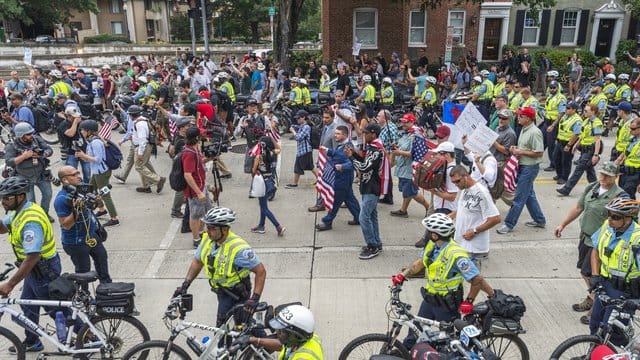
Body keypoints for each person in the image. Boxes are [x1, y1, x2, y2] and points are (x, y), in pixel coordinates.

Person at [392, 213, 496, 349]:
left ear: (435, 235)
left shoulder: (456, 254)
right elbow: (420, 263)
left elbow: (477, 279)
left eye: (429, 231)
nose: (427, 234)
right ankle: (405, 353)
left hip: (447, 306)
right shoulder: (432, 245)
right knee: (415, 332)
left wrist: (469, 301)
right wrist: (402, 275)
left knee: (449, 343)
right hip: (429, 300)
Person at [555, 162, 626, 325]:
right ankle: (593, 296)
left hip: (602, 242)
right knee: (583, 269)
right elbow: (579, 207)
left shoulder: (620, 196)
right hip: (585, 236)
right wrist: (562, 224)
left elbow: (625, 222)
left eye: (608, 175)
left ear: (616, 177)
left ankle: (598, 303)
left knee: (590, 272)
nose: (603, 177)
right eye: (602, 174)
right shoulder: (593, 187)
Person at [173, 207, 267, 327]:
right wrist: (185, 285)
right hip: (222, 292)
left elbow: (261, 271)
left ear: (225, 229)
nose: (208, 230)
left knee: (228, 328)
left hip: (237, 294)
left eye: (213, 228)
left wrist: (255, 298)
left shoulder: (239, 248)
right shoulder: (208, 239)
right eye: (208, 227)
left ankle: (268, 344)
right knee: (236, 325)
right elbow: (198, 262)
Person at [0, 176, 62, 352]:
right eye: (1, 197)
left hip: (43, 269)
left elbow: (33, 256)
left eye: (7, 198)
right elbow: (3, 228)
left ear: (20, 196)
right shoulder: (17, 212)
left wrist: (10, 284)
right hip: (33, 270)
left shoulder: (30, 221)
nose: (3, 201)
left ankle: (87, 336)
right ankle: (33, 340)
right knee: (28, 304)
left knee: (55, 307)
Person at [589, 196, 640, 337]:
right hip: (604, 284)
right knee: (595, 323)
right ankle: (593, 354)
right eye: (609, 214)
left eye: (615, 216)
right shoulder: (608, 226)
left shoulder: (637, 238)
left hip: (624, 291)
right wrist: (594, 275)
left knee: (613, 332)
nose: (610, 219)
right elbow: (595, 249)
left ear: (628, 219)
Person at [54, 166, 112, 284]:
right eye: (74, 175)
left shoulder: (83, 189)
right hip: (76, 242)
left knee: (102, 260)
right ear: (65, 180)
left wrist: (96, 201)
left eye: (78, 173)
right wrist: (76, 210)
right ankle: (83, 297)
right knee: (83, 274)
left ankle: (107, 290)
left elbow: (92, 208)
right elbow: (65, 225)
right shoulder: (61, 199)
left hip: (91, 235)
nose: (79, 176)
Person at [497, 107, 546, 234]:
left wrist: (520, 151)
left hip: (529, 168)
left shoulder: (535, 132)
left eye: (521, 116)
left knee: (519, 198)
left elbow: (539, 152)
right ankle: (539, 220)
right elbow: (527, 148)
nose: (518, 118)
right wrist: (516, 149)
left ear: (528, 118)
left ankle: (509, 224)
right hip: (523, 166)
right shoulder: (525, 129)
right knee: (529, 195)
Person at [345, 123, 389, 260]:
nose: (363, 135)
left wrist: (351, 158)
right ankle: (376, 242)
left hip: (372, 188)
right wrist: (354, 155)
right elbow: (365, 161)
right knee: (372, 216)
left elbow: (364, 168)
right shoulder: (372, 147)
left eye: (366, 133)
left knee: (363, 217)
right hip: (367, 186)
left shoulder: (377, 150)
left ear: (373, 134)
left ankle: (372, 246)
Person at [449, 166, 501, 269]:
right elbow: (466, 208)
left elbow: (496, 218)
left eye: (458, 181)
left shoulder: (481, 193)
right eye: (454, 182)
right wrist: (452, 215)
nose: (456, 185)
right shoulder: (465, 189)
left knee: (475, 281)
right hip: (461, 244)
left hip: (474, 249)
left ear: (466, 176)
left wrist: (474, 231)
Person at [4, 123, 55, 222]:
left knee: (48, 194)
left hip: (41, 174)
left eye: (31, 133)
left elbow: (49, 150)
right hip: (24, 177)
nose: (31, 135)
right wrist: (24, 156)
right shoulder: (12, 145)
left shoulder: (36, 139)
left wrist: (41, 155)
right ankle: (35, 217)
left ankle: (44, 214)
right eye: (28, 134)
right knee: (30, 200)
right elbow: (9, 161)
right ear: (21, 135)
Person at [74, 120, 119, 227]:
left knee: (105, 195)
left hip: (101, 172)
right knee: (91, 190)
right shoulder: (91, 141)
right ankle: (101, 209)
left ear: (89, 131)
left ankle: (114, 218)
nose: (81, 132)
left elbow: (98, 159)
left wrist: (83, 156)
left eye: (83, 130)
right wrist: (83, 156)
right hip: (96, 171)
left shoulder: (96, 143)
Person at [316, 126, 361, 231]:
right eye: (335, 133)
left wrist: (343, 167)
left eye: (338, 134)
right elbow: (338, 154)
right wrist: (327, 150)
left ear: (345, 135)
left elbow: (351, 162)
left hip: (343, 178)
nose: (335, 135)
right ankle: (359, 217)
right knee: (349, 199)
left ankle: (327, 222)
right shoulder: (341, 145)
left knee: (335, 201)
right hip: (341, 178)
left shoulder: (348, 147)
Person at [557, 104, 603, 196]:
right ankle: (596, 190)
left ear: (593, 112)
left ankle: (567, 189)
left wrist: (596, 155)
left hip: (591, 149)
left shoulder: (596, 123)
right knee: (590, 171)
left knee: (578, 170)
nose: (584, 112)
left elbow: (598, 140)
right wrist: (576, 144)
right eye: (584, 110)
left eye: (586, 111)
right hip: (584, 149)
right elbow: (582, 135)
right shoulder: (586, 121)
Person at [246, 304, 323, 359]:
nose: (278, 332)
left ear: (295, 335)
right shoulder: (305, 339)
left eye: (282, 331)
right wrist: (255, 340)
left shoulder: (303, 357)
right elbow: (281, 346)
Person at [390, 114, 429, 218]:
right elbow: (403, 147)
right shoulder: (405, 133)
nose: (404, 124)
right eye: (403, 121)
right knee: (407, 191)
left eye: (406, 122)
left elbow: (414, 154)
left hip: (410, 169)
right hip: (402, 167)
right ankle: (403, 210)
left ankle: (429, 207)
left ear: (412, 122)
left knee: (412, 192)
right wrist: (397, 148)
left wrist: (398, 152)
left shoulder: (416, 135)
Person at [182, 126, 212, 247]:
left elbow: (198, 164)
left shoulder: (195, 149)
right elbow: (187, 175)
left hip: (201, 185)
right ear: (196, 138)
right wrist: (198, 192)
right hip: (195, 190)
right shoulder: (189, 153)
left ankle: (201, 233)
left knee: (207, 211)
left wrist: (208, 159)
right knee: (195, 215)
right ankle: (196, 239)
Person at [251, 136, 286, 236]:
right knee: (263, 205)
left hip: (261, 182)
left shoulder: (258, 156)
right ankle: (261, 225)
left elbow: (253, 171)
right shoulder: (272, 153)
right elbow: (279, 148)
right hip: (269, 180)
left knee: (264, 207)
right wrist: (272, 139)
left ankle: (278, 226)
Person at [129, 105, 166, 194]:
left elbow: (142, 139)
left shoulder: (139, 124)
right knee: (145, 164)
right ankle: (146, 186)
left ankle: (157, 179)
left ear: (132, 115)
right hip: (146, 146)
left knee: (139, 166)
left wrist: (140, 153)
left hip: (142, 147)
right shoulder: (143, 120)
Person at [552, 101, 582, 186]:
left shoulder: (577, 120)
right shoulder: (565, 116)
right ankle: (559, 174)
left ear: (574, 110)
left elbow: (576, 134)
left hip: (568, 143)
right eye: (566, 107)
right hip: (560, 141)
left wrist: (569, 145)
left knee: (566, 161)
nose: (566, 109)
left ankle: (564, 178)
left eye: (568, 108)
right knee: (556, 158)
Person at [285, 110, 315, 188]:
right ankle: (320, 180)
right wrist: (293, 126)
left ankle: (294, 184)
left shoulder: (306, 127)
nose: (297, 120)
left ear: (303, 118)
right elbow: (297, 127)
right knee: (310, 167)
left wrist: (293, 131)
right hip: (304, 151)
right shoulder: (303, 125)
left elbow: (298, 137)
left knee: (298, 167)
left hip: (304, 151)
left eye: (299, 118)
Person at [615, 118, 640, 199]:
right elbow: (625, 156)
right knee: (622, 195)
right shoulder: (632, 140)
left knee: (627, 197)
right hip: (625, 173)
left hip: (635, 174)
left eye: (633, 129)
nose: (630, 131)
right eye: (630, 128)